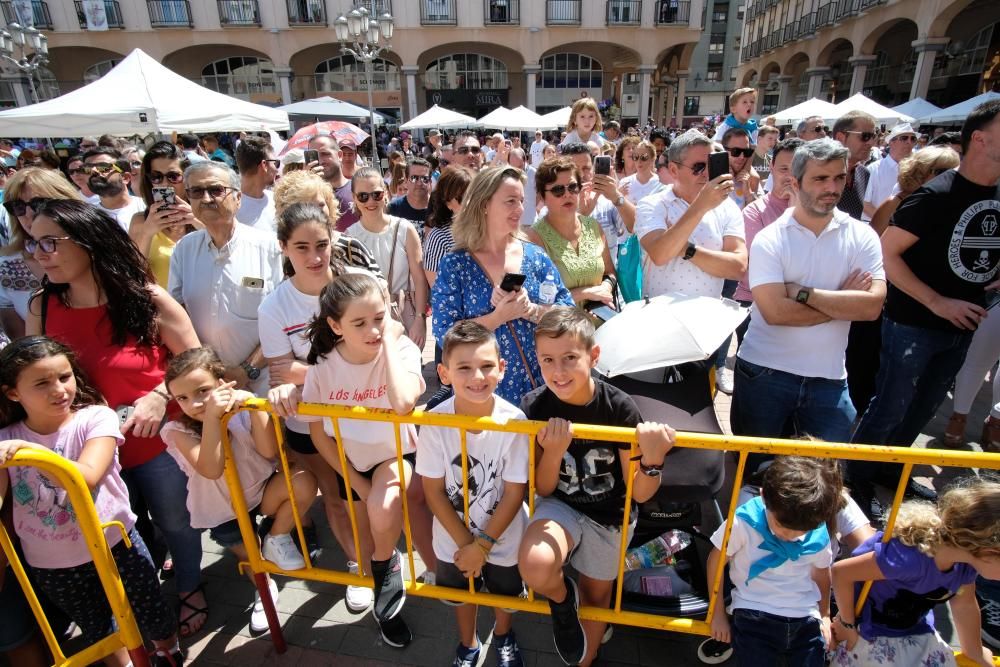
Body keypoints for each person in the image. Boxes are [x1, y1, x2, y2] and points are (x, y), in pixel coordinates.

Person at [24, 199, 207, 638]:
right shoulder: (41, 308)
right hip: (85, 456)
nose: (39, 253)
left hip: (153, 443)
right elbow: (32, 374)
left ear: (88, 242)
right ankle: (136, 612)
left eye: (51, 242)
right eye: (34, 244)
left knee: (175, 522)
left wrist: (161, 395)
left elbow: (197, 362)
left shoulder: (147, 298)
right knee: (121, 534)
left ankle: (190, 587)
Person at [849, 100, 1000, 513]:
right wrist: (937, 301)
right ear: (981, 139)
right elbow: (887, 253)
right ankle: (857, 479)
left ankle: (891, 472)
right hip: (912, 324)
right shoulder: (936, 194)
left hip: (964, 325)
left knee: (923, 409)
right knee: (890, 405)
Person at [0, 337, 184, 667]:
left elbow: (86, 477)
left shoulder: (96, 418)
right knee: (99, 628)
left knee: (152, 610)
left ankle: (168, 651)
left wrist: (36, 454)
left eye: (64, 377)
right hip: (50, 561)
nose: (59, 390)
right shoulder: (6, 438)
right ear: (13, 392)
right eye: (42, 383)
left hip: (116, 543)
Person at [517, 307, 676, 666]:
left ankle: (584, 659)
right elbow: (543, 487)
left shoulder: (619, 409)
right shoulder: (534, 405)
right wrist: (553, 452)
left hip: (611, 515)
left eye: (570, 358)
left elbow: (640, 493)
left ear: (593, 355)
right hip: (561, 506)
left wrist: (652, 462)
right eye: (547, 360)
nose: (558, 371)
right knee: (536, 566)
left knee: (596, 594)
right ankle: (561, 600)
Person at [258, 202, 381, 612]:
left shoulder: (357, 285)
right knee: (335, 498)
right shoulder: (274, 306)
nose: (314, 257)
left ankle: (381, 562)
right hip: (309, 423)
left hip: (364, 415)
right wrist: (335, 375)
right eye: (301, 247)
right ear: (284, 248)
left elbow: (384, 344)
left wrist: (314, 377)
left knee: (365, 498)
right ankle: (359, 568)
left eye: (322, 245)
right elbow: (279, 369)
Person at [300, 273, 426, 648]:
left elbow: (404, 404)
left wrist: (389, 341)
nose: (373, 329)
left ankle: (386, 572)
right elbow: (318, 433)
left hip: (395, 454)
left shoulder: (401, 351)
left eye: (379, 317)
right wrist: (354, 480)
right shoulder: (322, 367)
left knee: (385, 509)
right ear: (335, 326)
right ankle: (386, 583)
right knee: (367, 534)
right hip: (349, 461)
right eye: (360, 323)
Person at [732, 139, 886, 443]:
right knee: (752, 469)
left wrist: (803, 293)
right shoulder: (770, 239)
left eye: (839, 178)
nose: (832, 187)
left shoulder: (862, 236)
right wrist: (842, 300)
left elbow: (870, 308)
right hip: (766, 373)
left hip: (829, 378)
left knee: (824, 478)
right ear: (795, 182)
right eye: (820, 178)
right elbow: (776, 313)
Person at [162, 347, 317, 632]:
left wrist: (251, 405)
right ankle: (265, 591)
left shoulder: (242, 409)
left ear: (223, 383)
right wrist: (212, 417)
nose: (193, 403)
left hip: (258, 491)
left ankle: (277, 535)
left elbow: (269, 451)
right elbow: (211, 468)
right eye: (182, 398)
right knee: (252, 560)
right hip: (223, 511)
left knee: (304, 480)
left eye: (202, 391)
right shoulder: (176, 431)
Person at [416, 322, 529, 667]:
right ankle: (469, 642)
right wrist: (467, 545)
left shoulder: (515, 422)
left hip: (504, 536)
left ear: (502, 368)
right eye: (464, 367)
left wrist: (481, 546)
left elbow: (513, 493)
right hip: (452, 537)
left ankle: (504, 635)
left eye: (486, 366)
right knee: (461, 596)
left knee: (507, 596)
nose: (477, 376)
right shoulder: (435, 421)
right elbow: (433, 492)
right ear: (444, 373)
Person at [432, 167, 574, 405]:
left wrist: (531, 310)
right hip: (482, 395)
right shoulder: (456, 264)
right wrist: (497, 318)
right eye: (510, 201)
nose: (519, 209)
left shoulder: (535, 256)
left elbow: (568, 313)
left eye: (521, 201)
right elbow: (444, 333)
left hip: (540, 392)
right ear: (484, 204)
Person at [830, 478, 999, 667]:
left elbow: (965, 604)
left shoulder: (965, 565)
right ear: (988, 551)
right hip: (869, 630)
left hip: (915, 629)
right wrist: (847, 625)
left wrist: (974, 651)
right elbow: (841, 572)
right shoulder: (909, 559)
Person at [636, 130, 747, 389]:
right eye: (699, 167)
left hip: (706, 330)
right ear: (673, 170)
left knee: (699, 406)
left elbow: (738, 266)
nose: (707, 174)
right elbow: (661, 254)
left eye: (711, 165)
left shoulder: (728, 207)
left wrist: (686, 249)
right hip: (660, 327)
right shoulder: (652, 205)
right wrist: (701, 206)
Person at [706, 456, 841, 667]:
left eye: (799, 531)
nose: (788, 535)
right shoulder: (743, 522)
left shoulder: (815, 526)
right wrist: (717, 614)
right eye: (780, 525)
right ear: (762, 496)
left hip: (805, 615)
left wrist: (825, 614)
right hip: (753, 611)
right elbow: (715, 561)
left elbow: (822, 572)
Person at [169, 162, 283, 396]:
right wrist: (204, 370)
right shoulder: (184, 250)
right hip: (208, 388)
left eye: (216, 190)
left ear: (238, 198)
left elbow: (286, 319)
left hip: (264, 384)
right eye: (197, 192)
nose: (207, 199)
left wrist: (247, 369)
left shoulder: (271, 248)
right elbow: (176, 315)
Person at [345, 168, 428, 348]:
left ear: (385, 193)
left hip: (404, 313)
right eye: (363, 196)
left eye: (376, 194)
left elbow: (420, 279)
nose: (371, 201)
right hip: (367, 319)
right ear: (354, 197)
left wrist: (420, 319)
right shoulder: (350, 236)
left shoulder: (404, 229)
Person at [732, 138, 802, 346]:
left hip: (801, 302)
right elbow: (763, 268)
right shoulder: (754, 212)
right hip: (755, 303)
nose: (790, 177)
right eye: (783, 169)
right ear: (771, 167)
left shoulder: (819, 213)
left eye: (797, 169)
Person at [0, 169, 82, 341]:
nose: (29, 215)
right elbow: (23, 345)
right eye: (18, 207)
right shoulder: (6, 266)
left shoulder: (97, 251)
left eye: (39, 204)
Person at [526, 158, 616, 309]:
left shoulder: (593, 226)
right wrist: (586, 293)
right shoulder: (533, 239)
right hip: (561, 329)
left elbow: (610, 273)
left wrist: (606, 288)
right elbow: (535, 300)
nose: (567, 194)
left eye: (573, 187)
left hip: (599, 324)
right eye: (558, 190)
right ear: (542, 196)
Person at [128, 141, 203, 287]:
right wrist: (147, 234)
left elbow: (228, 255)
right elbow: (133, 273)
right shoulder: (140, 221)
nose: (165, 184)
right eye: (156, 177)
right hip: (164, 307)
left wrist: (197, 222)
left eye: (173, 176)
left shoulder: (204, 214)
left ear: (187, 178)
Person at [423, 166, 473, 289]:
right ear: (448, 203)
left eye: (473, 196)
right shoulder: (439, 238)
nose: (468, 203)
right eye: (462, 198)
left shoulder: (490, 229)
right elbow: (437, 288)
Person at [863, 122, 917, 221]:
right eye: (904, 138)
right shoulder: (874, 169)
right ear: (891, 142)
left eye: (913, 139)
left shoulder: (918, 170)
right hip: (876, 227)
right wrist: (886, 223)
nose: (909, 142)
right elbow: (865, 203)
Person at [83, 148, 146, 231]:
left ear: (125, 177)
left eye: (103, 167)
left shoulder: (146, 208)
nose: (94, 171)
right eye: (88, 168)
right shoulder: (87, 219)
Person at [831, 110, 877, 220]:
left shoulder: (864, 173)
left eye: (873, 137)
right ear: (840, 138)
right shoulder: (818, 170)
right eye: (865, 136)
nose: (871, 143)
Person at [308, 135, 356, 232]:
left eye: (325, 154)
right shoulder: (307, 195)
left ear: (340, 155)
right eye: (314, 156)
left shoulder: (358, 191)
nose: (320, 161)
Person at [235, 137, 279, 232]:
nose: (277, 170)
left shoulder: (275, 198)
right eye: (276, 163)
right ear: (264, 165)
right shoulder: (232, 207)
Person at [386, 157, 432, 231]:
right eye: (414, 178)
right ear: (406, 181)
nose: (419, 183)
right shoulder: (393, 208)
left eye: (424, 178)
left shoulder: (439, 209)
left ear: (430, 182)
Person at [721, 127, 760, 210]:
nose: (742, 157)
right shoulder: (710, 175)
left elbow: (758, 217)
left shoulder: (751, 179)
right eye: (736, 151)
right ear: (724, 150)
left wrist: (749, 194)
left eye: (746, 152)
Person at [618, 139, 664, 206]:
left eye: (644, 157)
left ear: (653, 159)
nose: (639, 161)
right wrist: (619, 196)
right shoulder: (625, 182)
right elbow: (618, 206)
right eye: (636, 157)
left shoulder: (661, 183)